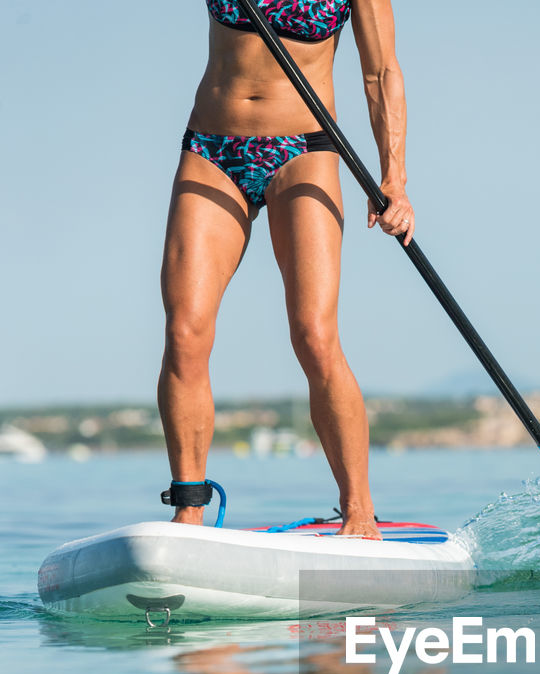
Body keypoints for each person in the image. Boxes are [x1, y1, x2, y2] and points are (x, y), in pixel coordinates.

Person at [158, 0, 414, 538]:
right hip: (212, 147)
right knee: (185, 332)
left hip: (305, 148)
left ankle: (359, 511)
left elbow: (381, 70)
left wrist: (394, 178)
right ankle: (189, 510)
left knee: (315, 336)